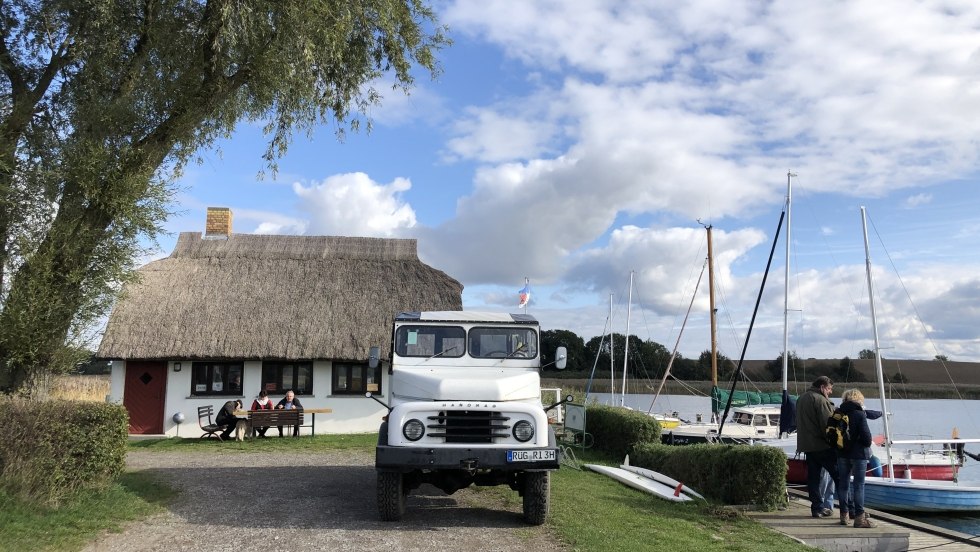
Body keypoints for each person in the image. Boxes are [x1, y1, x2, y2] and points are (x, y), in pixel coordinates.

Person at [795, 375, 838, 518]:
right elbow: (827, 425)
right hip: (823, 446)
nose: (830, 392)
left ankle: (817, 508)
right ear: (822, 387)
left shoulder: (801, 398)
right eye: (829, 389)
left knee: (813, 479)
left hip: (807, 446)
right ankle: (849, 509)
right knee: (839, 476)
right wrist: (835, 443)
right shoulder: (820, 400)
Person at [836, 389, 876, 528]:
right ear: (859, 400)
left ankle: (844, 515)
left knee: (843, 485)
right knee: (858, 485)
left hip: (841, 453)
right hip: (858, 454)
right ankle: (859, 518)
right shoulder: (859, 414)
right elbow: (867, 438)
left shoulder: (838, 414)